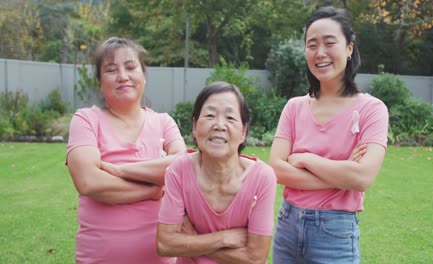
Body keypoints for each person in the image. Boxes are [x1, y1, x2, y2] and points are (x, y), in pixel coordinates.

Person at [269, 6, 389, 264]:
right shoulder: (294, 107)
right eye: (312, 45)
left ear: (349, 48)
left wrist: (305, 159)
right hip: (287, 227)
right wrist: (341, 174)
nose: (320, 53)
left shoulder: (372, 110)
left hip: (335, 233)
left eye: (329, 43)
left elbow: (362, 176)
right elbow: (277, 169)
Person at [66, 37, 186, 264]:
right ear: (100, 81)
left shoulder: (164, 122)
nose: (123, 76)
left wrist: (120, 171)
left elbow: (181, 168)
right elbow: (89, 182)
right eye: (111, 70)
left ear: (143, 75)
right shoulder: (86, 120)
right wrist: (153, 189)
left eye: (130, 67)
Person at [156, 81, 277, 264]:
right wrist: (224, 239)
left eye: (230, 118)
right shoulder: (179, 169)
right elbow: (165, 245)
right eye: (210, 115)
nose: (219, 125)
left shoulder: (262, 178)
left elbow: (255, 258)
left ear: (243, 131)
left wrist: (192, 240)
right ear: (195, 127)